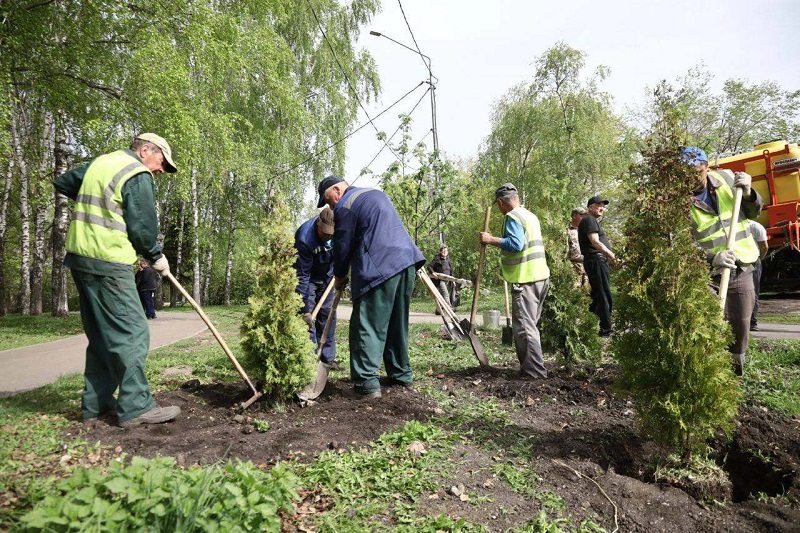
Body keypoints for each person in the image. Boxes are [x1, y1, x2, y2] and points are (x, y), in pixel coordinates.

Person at [54, 133, 181, 427]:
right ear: (146, 150)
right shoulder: (136, 172)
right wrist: (155, 254)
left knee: (101, 335)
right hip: (109, 260)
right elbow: (142, 226)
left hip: (81, 257)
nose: (161, 170)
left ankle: (95, 406)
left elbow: (64, 182)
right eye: (162, 162)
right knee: (134, 332)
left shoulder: (103, 164)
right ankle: (136, 406)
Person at [317, 175, 425, 399]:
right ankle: (400, 375)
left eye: (329, 201)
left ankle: (366, 383)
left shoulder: (346, 205)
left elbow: (343, 243)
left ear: (337, 190)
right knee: (396, 324)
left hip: (380, 267)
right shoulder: (373, 194)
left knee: (366, 324)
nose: (331, 207)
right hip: (406, 263)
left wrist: (338, 274)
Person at [684, 147, 762, 375]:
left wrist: (749, 192)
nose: (691, 179)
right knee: (705, 324)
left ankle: (732, 376)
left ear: (706, 167)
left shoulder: (728, 178)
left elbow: (754, 212)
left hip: (742, 265)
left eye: (696, 172)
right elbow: (679, 243)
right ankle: (706, 374)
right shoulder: (676, 199)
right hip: (704, 273)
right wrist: (712, 258)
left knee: (740, 325)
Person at [479, 183, 550, 379]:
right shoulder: (530, 215)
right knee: (531, 326)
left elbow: (516, 244)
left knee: (525, 328)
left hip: (525, 278)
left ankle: (533, 373)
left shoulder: (512, 217)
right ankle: (533, 368)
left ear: (501, 203)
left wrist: (490, 239)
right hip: (540, 277)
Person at [293, 206, 339, 368]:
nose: (327, 236)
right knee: (309, 319)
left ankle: (327, 359)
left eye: (330, 233)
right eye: (324, 232)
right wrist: (305, 308)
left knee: (328, 317)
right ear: (318, 222)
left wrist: (339, 273)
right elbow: (302, 275)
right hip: (309, 278)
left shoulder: (338, 231)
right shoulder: (305, 238)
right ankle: (310, 359)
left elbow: (343, 253)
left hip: (328, 277)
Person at [578, 195, 620, 337]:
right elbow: (595, 242)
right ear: (590, 207)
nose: (601, 208)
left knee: (597, 295)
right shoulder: (589, 220)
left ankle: (590, 326)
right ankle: (606, 329)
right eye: (598, 205)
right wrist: (612, 256)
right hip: (596, 260)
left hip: (595, 261)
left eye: (603, 206)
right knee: (603, 294)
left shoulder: (590, 220)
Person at [748, 220, 769, 331]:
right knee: (753, 292)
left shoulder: (755, 226)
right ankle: (752, 323)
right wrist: (759, 259)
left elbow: (765, 247)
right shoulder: (756, 226)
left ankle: (751, 322)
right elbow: (764, 247)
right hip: (753, 261)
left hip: (745, 261)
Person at [566, 207, 587, 287]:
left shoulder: (587, 230)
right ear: (574, 216)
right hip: (573, 267)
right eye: (582, 215)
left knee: (588, 293)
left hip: (587, 266)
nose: (584, 217)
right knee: (574, 292)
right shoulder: (566, 230)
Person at [429, 245, 453, 312]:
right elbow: (429, 266)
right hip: (440, 280)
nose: (445, 252)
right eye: (443, 251)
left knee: (442, 295)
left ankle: (438, 310)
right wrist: (433, 273)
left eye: (446, 251)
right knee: (446, 294)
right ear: (440, 251)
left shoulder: (448, 259)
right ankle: (449, 308)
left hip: (447, 280)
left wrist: (453, 280)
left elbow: (450, 270)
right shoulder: (437, 259)